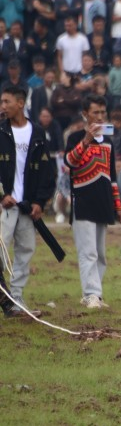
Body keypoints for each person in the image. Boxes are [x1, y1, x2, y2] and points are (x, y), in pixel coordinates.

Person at [64, 94, 121, 309]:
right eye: (95, 113)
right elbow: (70, 161)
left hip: (103, 201)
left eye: (102, 112)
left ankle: (95, 295)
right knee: (87, 251)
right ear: (85, 114)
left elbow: (112, 177)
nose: (99, 117)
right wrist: (86, 141)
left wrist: (117, 205)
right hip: (83, 201)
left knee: (100, 253)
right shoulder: (75, 138)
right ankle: (90, 293)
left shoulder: (108, 142)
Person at [0, 85, 55, 318]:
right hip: (4, 205)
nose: (2, 107)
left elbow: (46, 171)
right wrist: (2, 195)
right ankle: (7, 300)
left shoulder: (38, 133)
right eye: (1, 102)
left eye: (6, 102)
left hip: (26, 206)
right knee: (1, 252)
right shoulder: (0, 131)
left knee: (26, 250)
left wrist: (40, 202)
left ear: (20, 103)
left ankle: (17, 299)